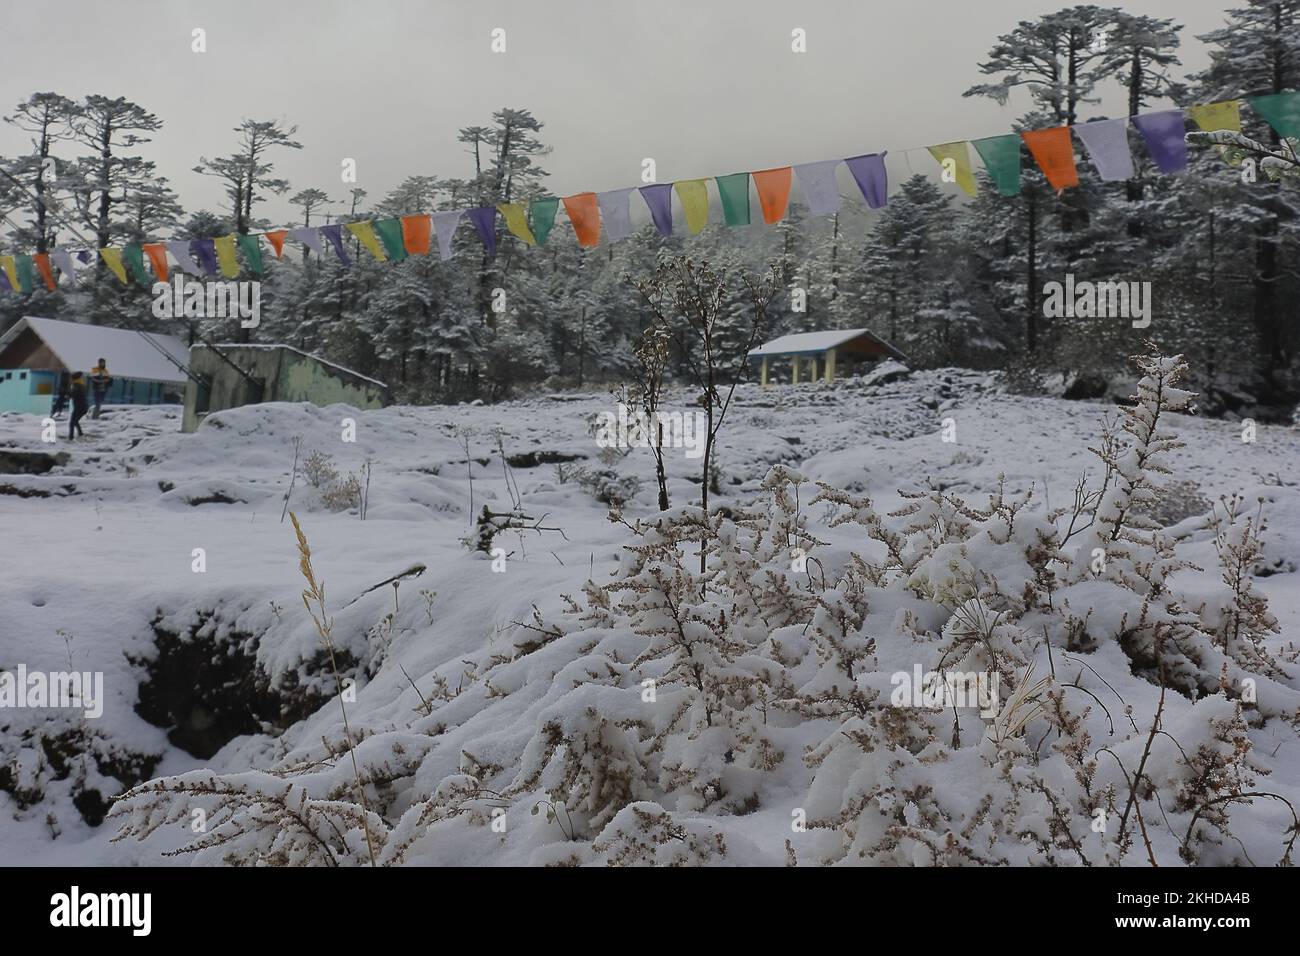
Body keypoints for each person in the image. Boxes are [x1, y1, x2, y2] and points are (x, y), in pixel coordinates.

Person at [68, 371, 88, 440]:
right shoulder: (81, 385)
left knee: (72, 423)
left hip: (79, 407)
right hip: (82, 407)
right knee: (75, 422)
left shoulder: (76, 385)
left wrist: (68, 394)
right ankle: (80, 434)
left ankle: (71, 438)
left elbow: (73, 395)